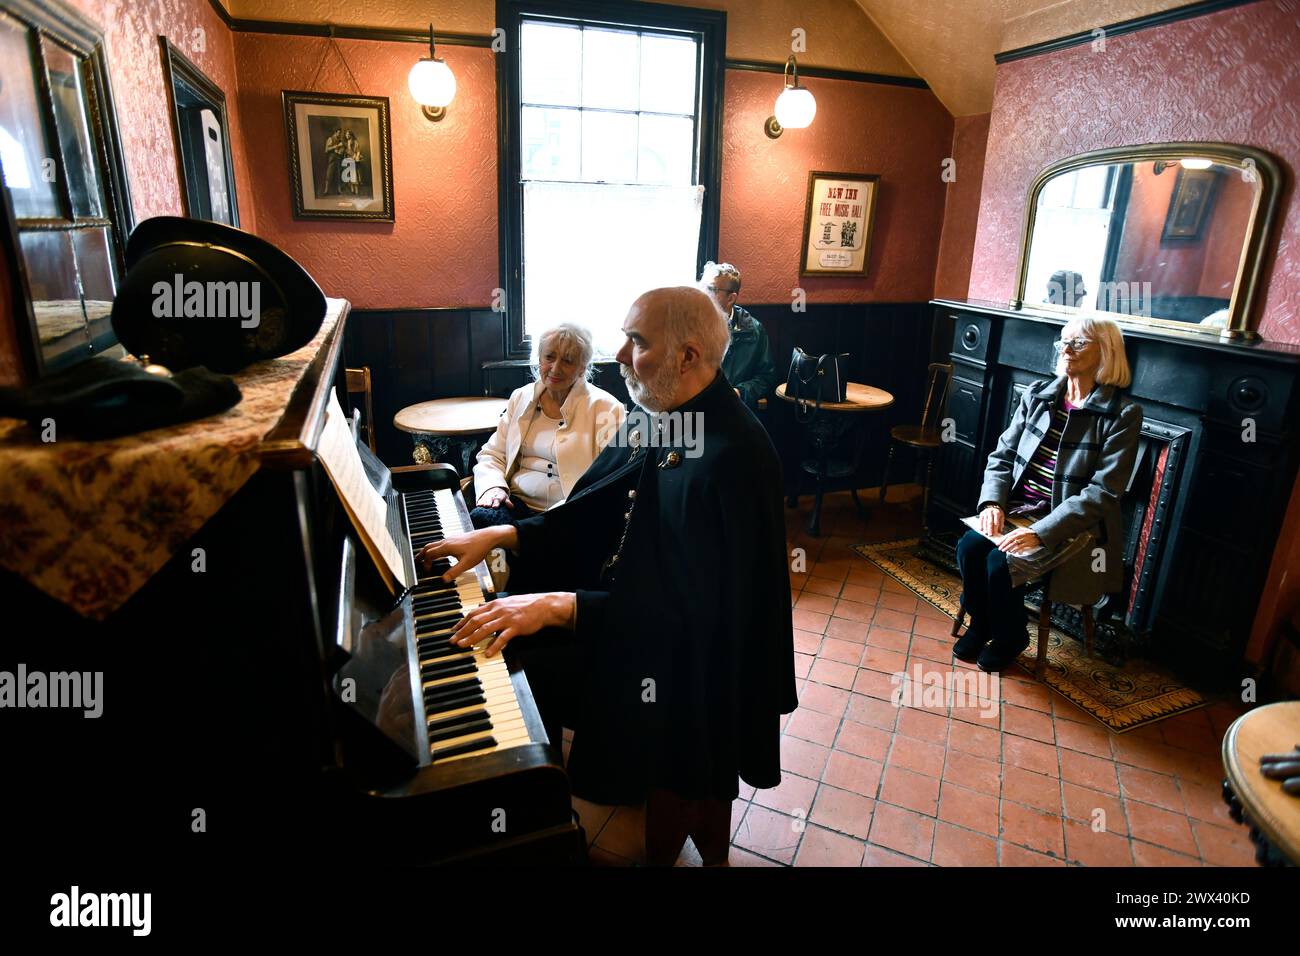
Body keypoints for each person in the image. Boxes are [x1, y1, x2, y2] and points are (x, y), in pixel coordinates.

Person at [418, 287, 796, 865]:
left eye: (636, 342)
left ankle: (540, 813)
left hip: (686, 666)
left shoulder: (733, 455)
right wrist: (502, 534)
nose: (619, 355)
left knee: (525, 646)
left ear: (688, 357)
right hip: (634, 618)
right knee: (516, 633)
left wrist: (559, 606)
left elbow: (694, 617)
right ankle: (550, 795)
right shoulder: (669, 416)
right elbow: (591, 509)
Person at [953, 315, 1142, 672]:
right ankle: (982, 622)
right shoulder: (1039, 395)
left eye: (1079, 343)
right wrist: (993, 502)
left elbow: (1103, 492)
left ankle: (1011, 636)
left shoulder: (1122, 415)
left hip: (1066, 522)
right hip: (1018, 507)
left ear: (1106, 352)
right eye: (1063, 341)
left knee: (999, 563)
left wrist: (1040, 532)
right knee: (968, 548)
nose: (1066, 349)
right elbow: (1002, 455)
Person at [471, 323, 624, 529]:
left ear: (582, 367)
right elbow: (493, 454)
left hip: (569, 512)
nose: (556, 368)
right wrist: (493, 487)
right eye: (549, 357)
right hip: (515, 504)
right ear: (539, 358)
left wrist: (551, 520)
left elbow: (608, 480)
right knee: (482, 518)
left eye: (567, 361)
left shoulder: (606, 408)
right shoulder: (521, 397)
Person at [701, 261, 777, 411]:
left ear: (731, 298)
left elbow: (766, 377)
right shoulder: (689, 326)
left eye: (711, 289)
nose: (704, 294)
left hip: (734, 408)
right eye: (703, 287)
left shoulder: (753, 330)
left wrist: (739, 392)